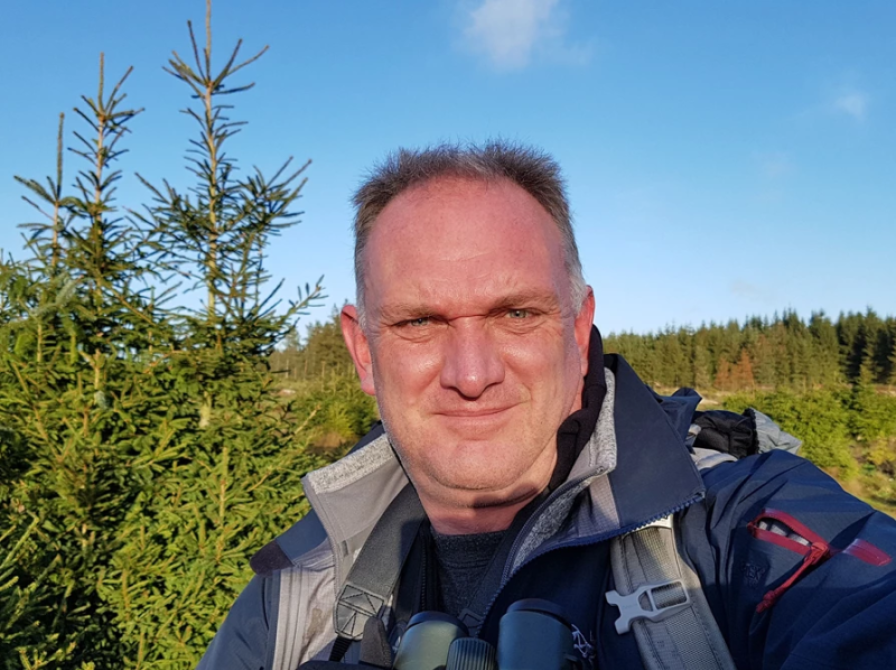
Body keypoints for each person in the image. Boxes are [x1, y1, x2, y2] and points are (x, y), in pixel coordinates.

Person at [198, 142, 896, 669]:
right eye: (419, 322)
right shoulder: (294, 598)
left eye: (516, 314)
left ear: (578, 328)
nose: (472, 375)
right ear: (362, 352)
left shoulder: (735, 520)